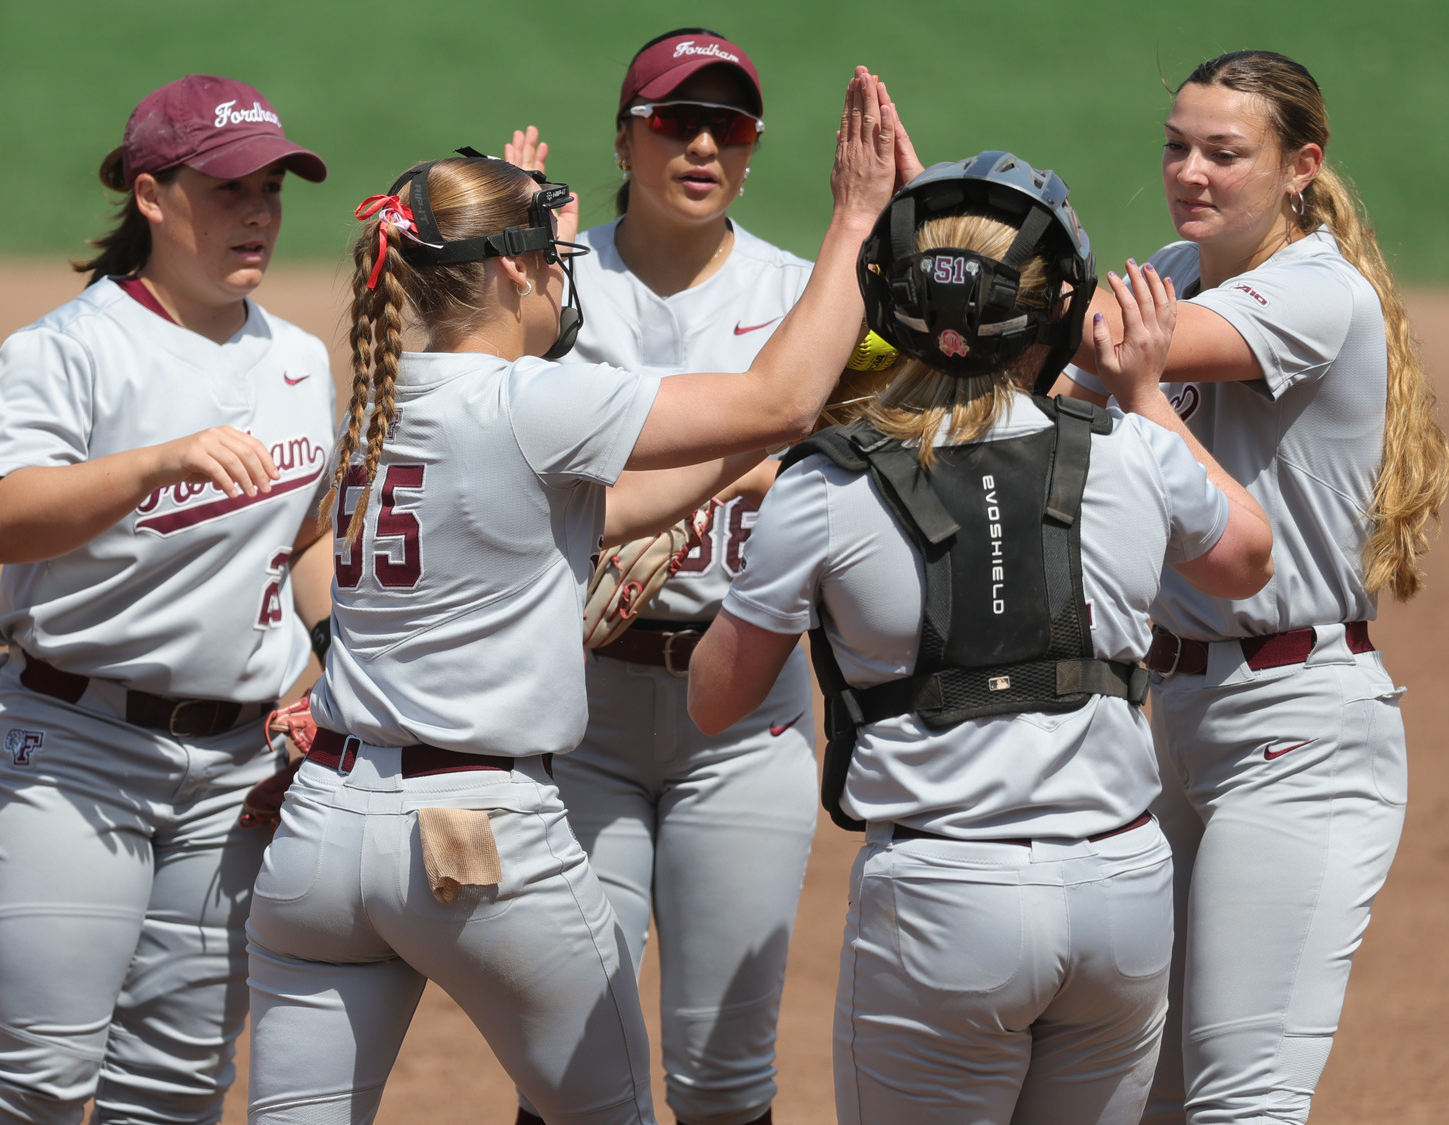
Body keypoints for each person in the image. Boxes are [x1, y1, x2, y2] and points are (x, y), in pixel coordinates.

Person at [242, 67, 908, 1125]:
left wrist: (732, 469)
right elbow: (779, 398)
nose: (568, 279)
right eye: (552, 262)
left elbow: (606, 507)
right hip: (475, 835)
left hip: (320, 831)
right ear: (510, 272)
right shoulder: (527, 400)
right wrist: (855, 218)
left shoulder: (375, 400)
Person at [687, 151, 1276, 1124]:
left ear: (889, 297)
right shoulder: (1128, 448)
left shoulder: (825, 484)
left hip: (941, 899)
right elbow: (1244, 559)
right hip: (1121, 891)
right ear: (1055, 305)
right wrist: (1137, 395)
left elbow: (715, 700)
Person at [1055, 50, 1449, 1124]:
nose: (1189, 171)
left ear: (1297, 167)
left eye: (1223, 153)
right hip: (1163, 719)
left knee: (1242, 1101)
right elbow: (1045, 386)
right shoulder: (1170, 273)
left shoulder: (1318, 293)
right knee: (1146, 1099)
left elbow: (1102, 348)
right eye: (1176, 147)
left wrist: (964, 252)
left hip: (1295, 730)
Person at [0, 74, 336, 1125]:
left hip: (232, 773)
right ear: (152, 197)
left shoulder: (297, 360)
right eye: (227, 190)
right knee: (36, 1079)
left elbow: (303, 535)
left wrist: (336, 660)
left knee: (170, 1088)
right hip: (68, 750)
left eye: (270, 189)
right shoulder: (71, 349)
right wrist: (154, 465)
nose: (257, 213)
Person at [499, 28, 820, 1125]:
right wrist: (502, 265)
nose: (699, 145)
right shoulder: (553, 283)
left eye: (726, 126)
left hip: (747, 709)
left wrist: (725, 484)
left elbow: (875, 446)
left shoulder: (799, 292)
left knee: (722, 1073)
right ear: (623, 138)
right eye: (672, 121)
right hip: (573, 711)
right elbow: (462, 418)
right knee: (570, 1052)